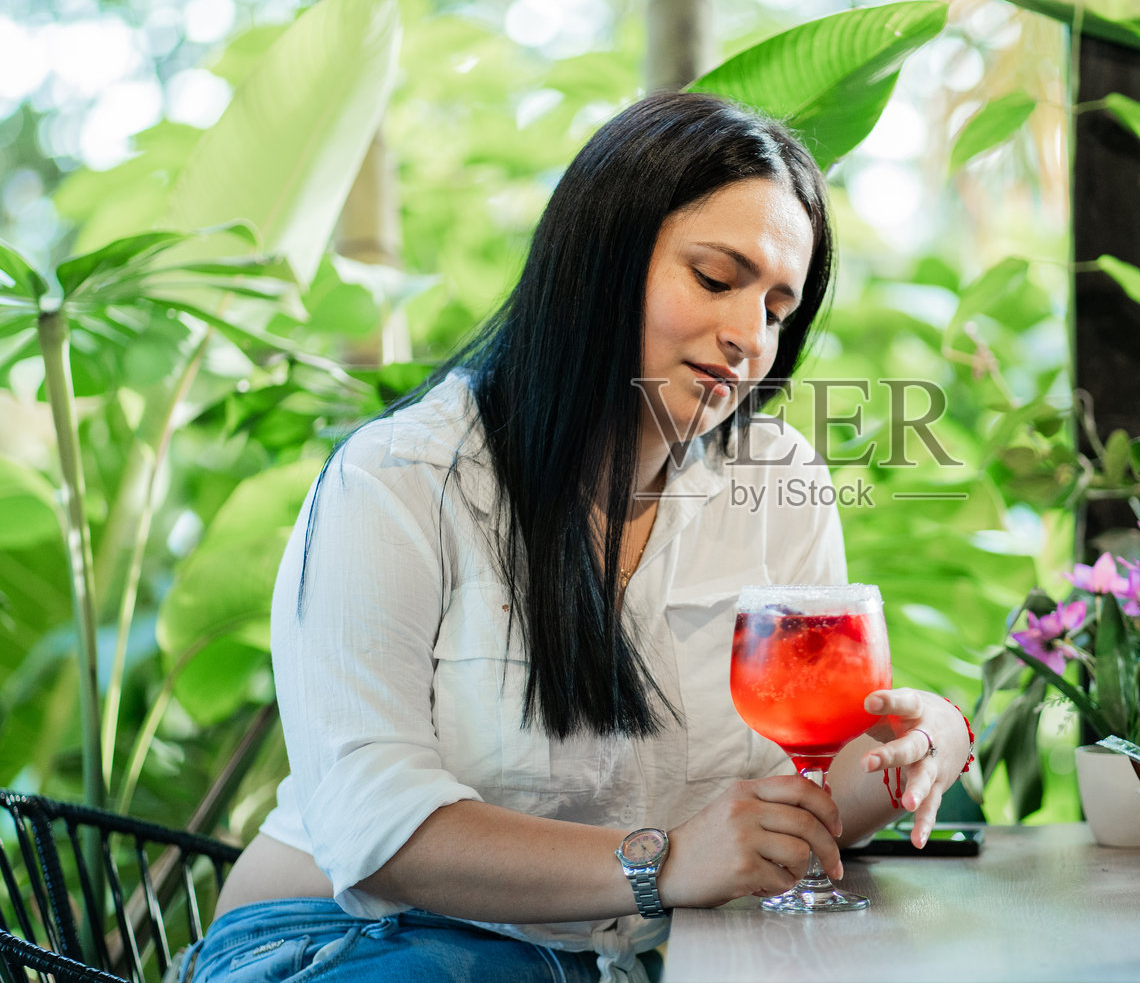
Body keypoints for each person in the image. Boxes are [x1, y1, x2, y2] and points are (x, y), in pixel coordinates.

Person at [185, 93, 973, 983]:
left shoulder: (774, 478)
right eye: (717, 280)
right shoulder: (401, 478)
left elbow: (801, 788)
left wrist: (930, 740)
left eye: (778, 309)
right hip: (354, 945)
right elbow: (379, 827)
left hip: (601, 964)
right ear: (601, 259)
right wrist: (665, 862)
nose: (749, 337)